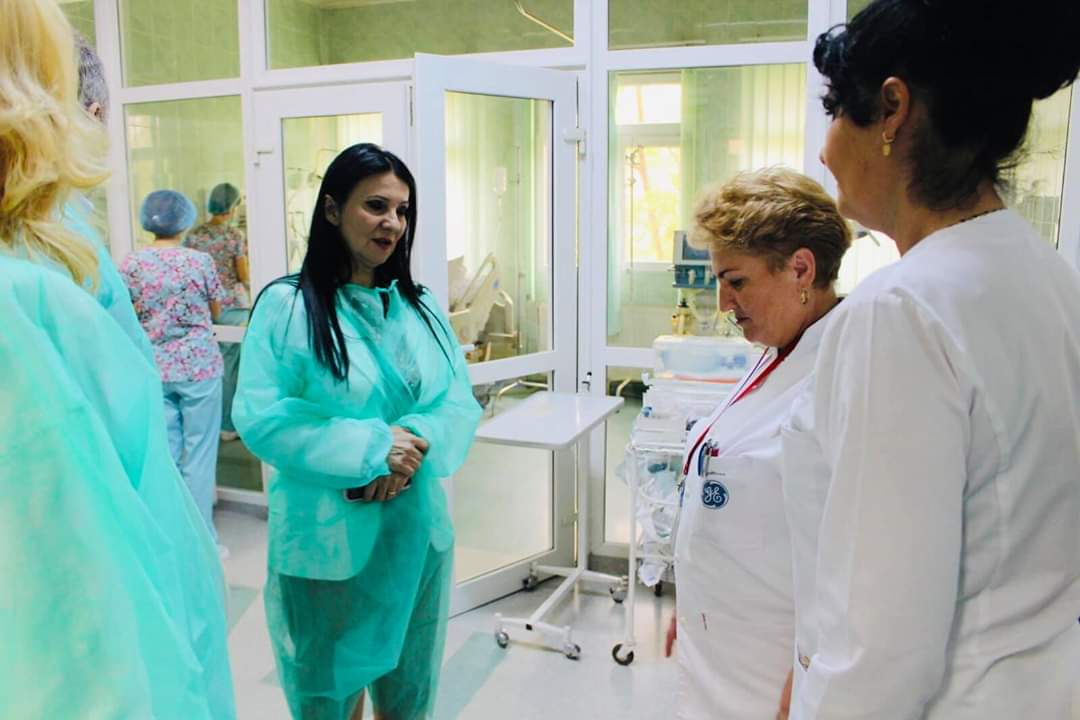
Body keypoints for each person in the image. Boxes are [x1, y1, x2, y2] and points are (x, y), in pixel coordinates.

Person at [782, 1, 1080, 717]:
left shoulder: (902, 312)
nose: (824, 152)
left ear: (891, 110)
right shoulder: (1047, 276)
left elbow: (879, 652)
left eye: (834, 112)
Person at [0, 0, 235, 716]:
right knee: (192, 458)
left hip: (156, 373)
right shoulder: (45, 285)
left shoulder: (118, 264)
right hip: (192, 369)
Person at [233, 143, 482, 720]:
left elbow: (455, 401)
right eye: (375, 206)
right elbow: (263, 415)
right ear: (331, 210)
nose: (392, 222)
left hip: (415, 532)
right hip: (328, 537)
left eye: (402, 210)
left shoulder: (421, 308)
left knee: (409, 693)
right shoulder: (288, 307)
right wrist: (371, 448)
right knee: (328, 696)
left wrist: (408, 442)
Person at [663, 168, 851, 720]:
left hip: (774, 670)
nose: (724, 302)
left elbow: (859, 562)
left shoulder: (843, 374)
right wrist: (693, 594)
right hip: (723, 641)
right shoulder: (778, 352)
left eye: (737, 281)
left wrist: (811, 670)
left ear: (801, 269)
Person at [121, 189, 228, 539]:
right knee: (200, 454)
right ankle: (201, 539)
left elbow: (127, 313)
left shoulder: (131, 264)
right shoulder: (199, 262)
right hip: (199, 368)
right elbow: (216, 309)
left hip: (155, 367)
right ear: (185, 221)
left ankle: (169, 535)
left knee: (166, 455)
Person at [185, 182, 251, 442]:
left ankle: (210, 424)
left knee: (211, 366)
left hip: (204, 307)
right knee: (231, 368)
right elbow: (242, 275)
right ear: (233, 207)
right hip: (233, 307)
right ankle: (228, 425)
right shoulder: (234, 236)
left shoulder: (194, 236)